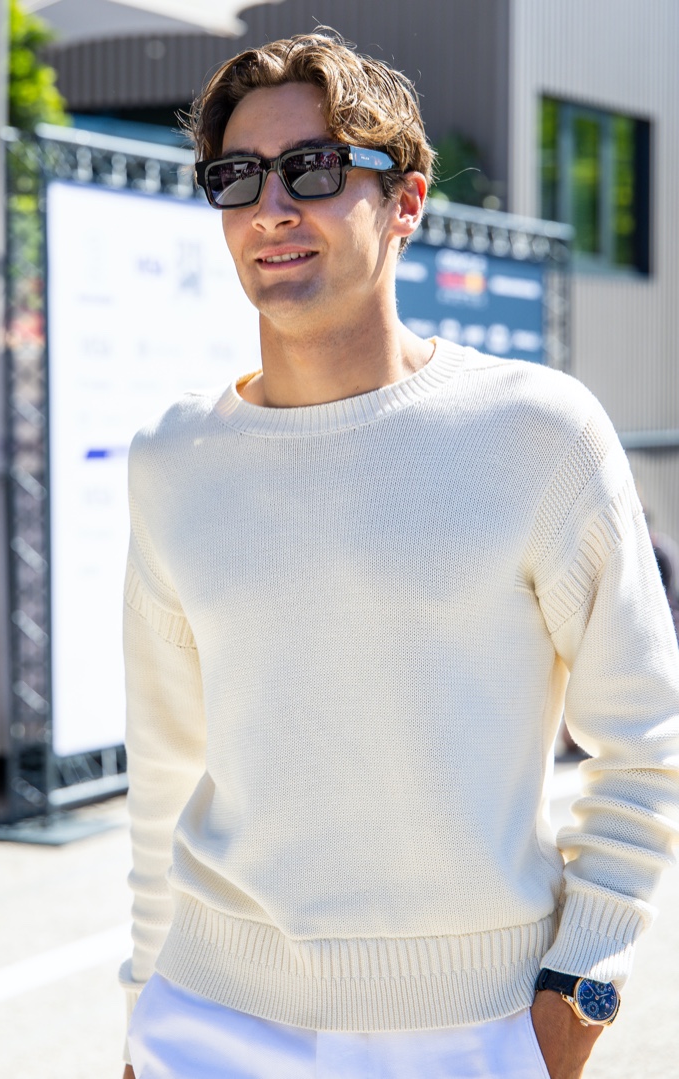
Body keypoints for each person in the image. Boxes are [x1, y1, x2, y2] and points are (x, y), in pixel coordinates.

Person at [118, 30, 679, 1079]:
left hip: (470, 1032)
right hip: (205, 1023)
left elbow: (645, 741)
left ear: (406, 202)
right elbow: (164, 765)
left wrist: (575, 995)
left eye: (314, 168)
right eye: (236, 178)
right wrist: (144, 1007)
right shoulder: (174, 457)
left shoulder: (536, 432)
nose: (271, 207)